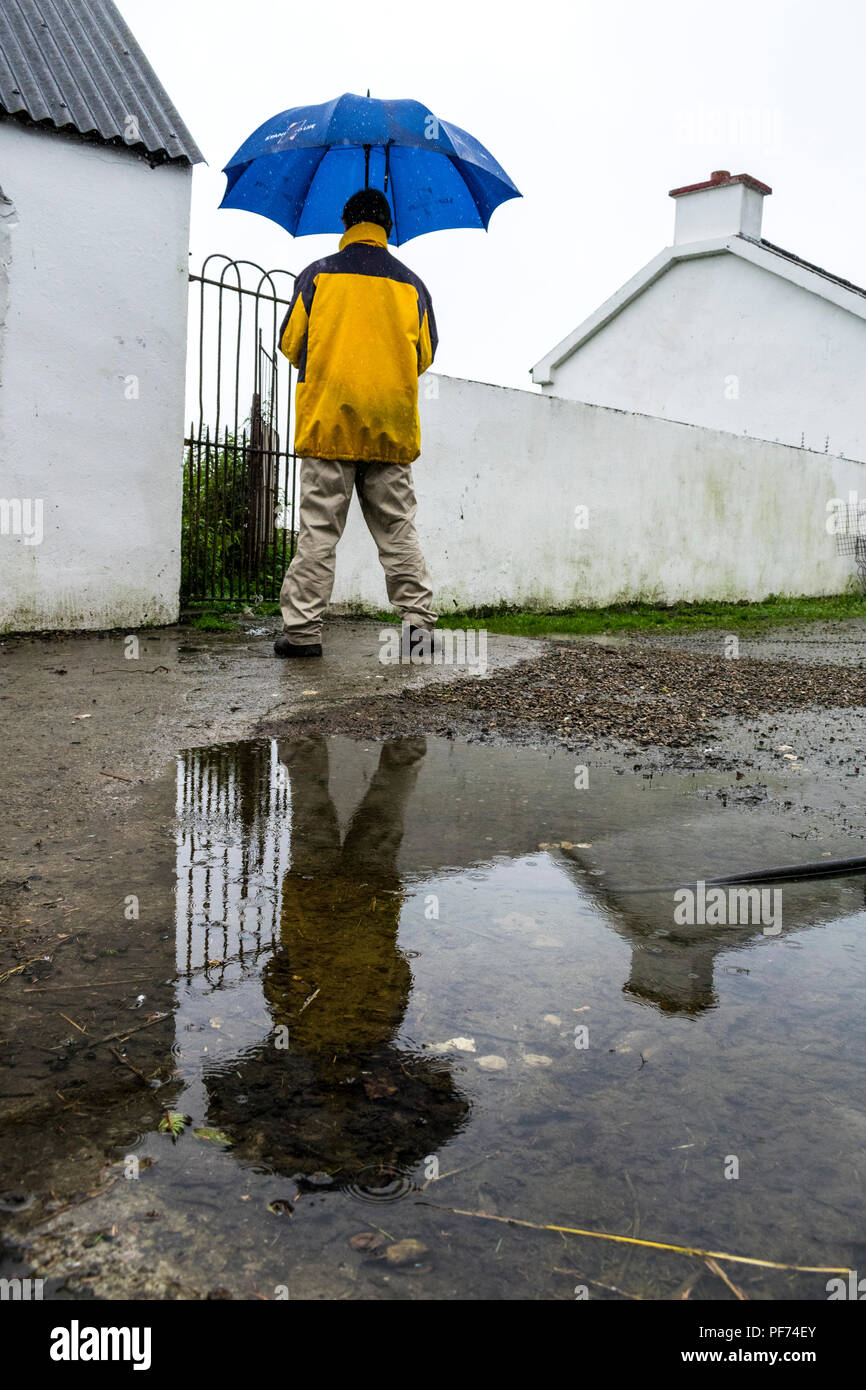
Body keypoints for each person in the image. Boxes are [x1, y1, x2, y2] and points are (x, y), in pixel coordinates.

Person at [274, 187, 438, 659]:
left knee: (319, 531)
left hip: (330, 424)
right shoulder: (413, 285)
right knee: (398, 529)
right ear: (387, 227)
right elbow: (423, 355)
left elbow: (291, 343)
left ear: (346, 224)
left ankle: (303, 633)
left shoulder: (318, 276)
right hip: (391, 426)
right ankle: (418, 628)